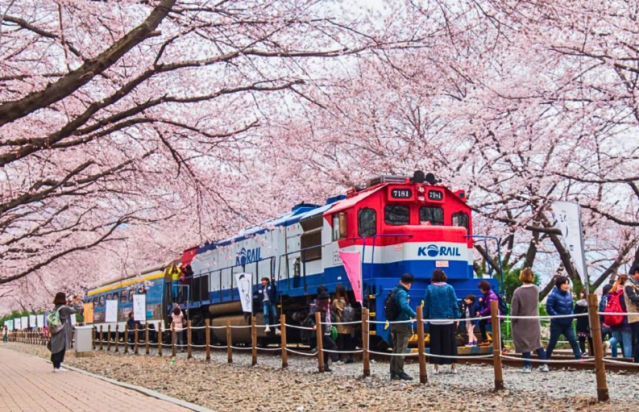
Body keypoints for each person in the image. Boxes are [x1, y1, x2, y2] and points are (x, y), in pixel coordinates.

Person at [511, 268, 549, 373]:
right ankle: (544, 364)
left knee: (524, 343)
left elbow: (515, 309)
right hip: (534, 320)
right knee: (537, 342)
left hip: (522, 320)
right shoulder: (536, 289)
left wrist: (513, 321)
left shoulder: (518, 291)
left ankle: (527, 366)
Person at [423, 269, 460, 374]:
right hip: (448, 319)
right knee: (451, 343)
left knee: (435, 344)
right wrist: (457, 317)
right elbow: (454, 303)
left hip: (434, 319)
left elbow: (426, 304)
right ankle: (453, 366)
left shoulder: (429, 288)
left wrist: (425, 318)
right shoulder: (449, 288)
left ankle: (436, 367)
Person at [545, 276, 581, 360]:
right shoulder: (553, 295)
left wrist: (571, 315)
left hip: (568, 324)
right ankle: (545, 360)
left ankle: (579, 359)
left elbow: (571, 308)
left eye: (567, 284)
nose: (566, 286)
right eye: (564, 283)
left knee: (574, 341)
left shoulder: (569, 295)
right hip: (557, 324)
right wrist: (557, 316)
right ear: (559, 284)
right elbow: (549, 308)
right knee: (552, 343)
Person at [390, 273, 416, 381]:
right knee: (401, 348)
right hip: (402, 323)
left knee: (396, 348)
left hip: (395, 322)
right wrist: (414, 314)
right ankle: (400, 371)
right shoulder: (402, 293)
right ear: (409, 284)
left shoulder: (395, 290)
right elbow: (404, 305)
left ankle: (393, 371)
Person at [49, 292, 83, 372]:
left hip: (55, 329)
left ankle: (56, 366)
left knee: (55, 347)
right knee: (61, 348)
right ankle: (58, 366)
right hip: (62, 330)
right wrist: (76, 302)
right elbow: (76, 310)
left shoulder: (55, 308)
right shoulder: (64, 308)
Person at [309, 291, 337, 372]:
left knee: (325, 348)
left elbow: (331, 318)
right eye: (328, 298)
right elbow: (309, 317)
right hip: (321, 330)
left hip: (328, 329)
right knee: (332, 344)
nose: (329, 299)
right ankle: (335, 359)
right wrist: (313, 325)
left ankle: (325, 365)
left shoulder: (329, 307)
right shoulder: (318, 308)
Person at [607, 275, 632, 358]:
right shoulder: (625, 292)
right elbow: (625, 307)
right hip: (625, 319)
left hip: (614, 319)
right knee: (627, 342)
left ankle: (608, 343)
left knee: (616, 338)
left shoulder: (611, 292)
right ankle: (628, 361)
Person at [476, 280, 503, 349]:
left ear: (483, 288)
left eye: (480, 288)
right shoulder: (487, 295)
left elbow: (489, 308)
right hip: (489, 316)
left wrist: (480, 313)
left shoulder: (491, 296)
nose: (480, 290)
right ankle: (485, 339)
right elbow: (484, 305)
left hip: (494, 316)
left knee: (496, 332)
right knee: (482, 323)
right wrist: (480, 302)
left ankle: (502, 347)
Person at [332, 283, 355, 364]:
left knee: (340, 341)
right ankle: (351, 357)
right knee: (349, 340)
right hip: (348, 324)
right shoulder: (347, 301)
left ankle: (340, 357)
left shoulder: (336, 301)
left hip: (340, 324)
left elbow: (333, 310)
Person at [623, 265, 639, 362]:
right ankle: (637, 361)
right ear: (636, 272)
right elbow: (633, 298)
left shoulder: (635, 283)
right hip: (635, 316)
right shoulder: (629, 284)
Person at [574, 290, 592, 356]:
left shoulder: (578, 303)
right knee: (590, 338)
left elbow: (575, 313)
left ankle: (583, 352)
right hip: (589, 322)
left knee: (581, 339)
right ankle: (592, 352)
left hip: (581, 322)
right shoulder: (591, 303)